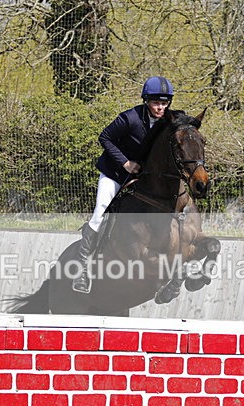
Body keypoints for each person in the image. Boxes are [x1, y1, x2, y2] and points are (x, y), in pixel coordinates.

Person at [72, 76, 175, 294]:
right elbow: (105, 137)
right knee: (101, 213)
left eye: (165, 103)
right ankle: (82, 270)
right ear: (147, 101)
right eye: (156, 103)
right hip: (115, 174)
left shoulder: (168, 121)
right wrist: (125, 163)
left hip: (142, 179)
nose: (161, 107)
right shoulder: (130, 118)